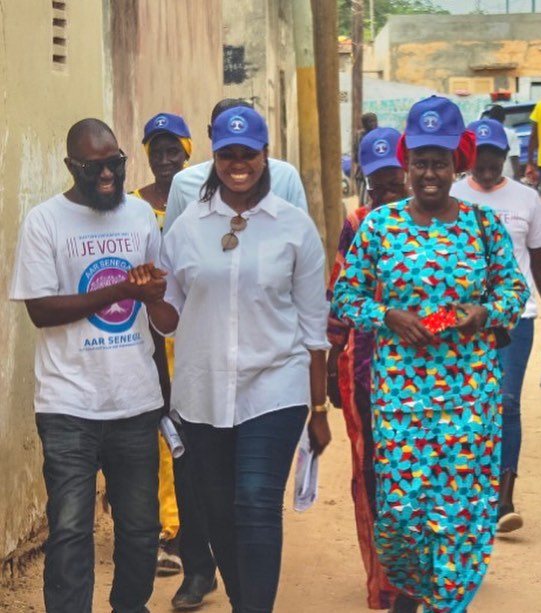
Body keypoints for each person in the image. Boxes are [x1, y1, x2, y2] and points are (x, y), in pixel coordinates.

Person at [332, 95, 528, 613]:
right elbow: (347, 295)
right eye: (419, 161)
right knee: (400, 513)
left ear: (457, 162)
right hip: (401, 402)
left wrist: (482, 315)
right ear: (407, 163)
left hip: (468, 402)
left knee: (462, 511)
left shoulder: (484, 227)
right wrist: (387, 317)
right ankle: (406, 597)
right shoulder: (380, 226)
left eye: (440, 161)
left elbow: (514, 292)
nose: (429, 172)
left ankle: (448, 603)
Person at [132, 106, 332, 612]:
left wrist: (319, 409)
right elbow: (169, 318)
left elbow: (314, 328)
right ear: (214, 158)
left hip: (276, 386)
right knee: (218, 511)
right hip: (202, 391)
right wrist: (152, 297)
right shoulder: (186, 229)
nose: (238, 163)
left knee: (257, 502)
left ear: (265, 157)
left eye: (248, 154)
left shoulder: (295, 229)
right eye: (228, 154)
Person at [9, 118, 165, 613]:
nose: (107, 176)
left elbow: (161, 305)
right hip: (68, 403)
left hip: (135, 401)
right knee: (72, 529)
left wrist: (153, 293)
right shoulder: (45, 222)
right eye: (95, 167)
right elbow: (40, 309)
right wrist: (121, 290)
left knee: (140, 527)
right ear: (71, 167)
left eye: (115, 164)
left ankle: (130, 607)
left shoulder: (140, 217)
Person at [450, 118, 541, 533]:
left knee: (506, 403)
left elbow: (539, 263)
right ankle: (467, 496)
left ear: (506, 158)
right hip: (460, 324)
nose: (487, 165)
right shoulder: (451, 194)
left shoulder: (526, 199)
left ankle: (503, 499)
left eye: (495, 157)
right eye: (480, 157)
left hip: (516, 320)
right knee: (465, 409)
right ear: (468, 158)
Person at [326, 126, 408, 610]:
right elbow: (340, 293)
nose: (386, 191)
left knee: (419, 472)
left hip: (427, 372)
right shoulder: (358, 224)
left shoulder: (435, 225)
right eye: (378, 183)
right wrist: (334, 354)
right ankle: (383, 577)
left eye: (394, 180)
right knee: (372, 472)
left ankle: (421, 571)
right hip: (365, 371)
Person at [132, 111, 191, 579]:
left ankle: (183, 529)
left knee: (186, 433)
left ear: (188, 152)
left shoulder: (199, 203)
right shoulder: (132, 206)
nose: (166, 159)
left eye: (174, 150)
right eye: (158, 151)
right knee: (154, 435)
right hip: (144, 336)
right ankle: (162, 531)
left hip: (192, 337)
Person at [163, 98, 307, 231]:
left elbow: (300, 236)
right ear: (210, 133)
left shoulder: (286, 176)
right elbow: (171, 250)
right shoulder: (183, 183)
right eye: (225, 133)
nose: (238, 164)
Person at [484, 105, 521, 180]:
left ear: (489, 118)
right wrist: (517, 179)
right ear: (504, 118)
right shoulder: (511, 134)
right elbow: (514, 157)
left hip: (486, 177)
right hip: (506, 178)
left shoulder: (483, 135)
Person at [353, 112, 380, 206]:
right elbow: (356, 156)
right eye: (369, 122)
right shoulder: (360, 137)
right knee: (364, 201)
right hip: (364, 173)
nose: (373, 124)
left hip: (377, 171)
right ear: (364, 124)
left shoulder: (380, 136)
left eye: (374, 121)